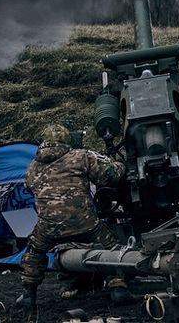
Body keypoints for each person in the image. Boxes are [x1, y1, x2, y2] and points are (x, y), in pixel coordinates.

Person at [16, 124, 131, 310]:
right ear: (66, 139)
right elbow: (109, 177)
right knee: (111, 246)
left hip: (49, 226)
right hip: (84, 222)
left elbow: (28, 187)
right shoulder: (81, 156)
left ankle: (28, 294)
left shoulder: (33, 166)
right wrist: (120, 165)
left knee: (34, 252)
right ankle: (118, 288)